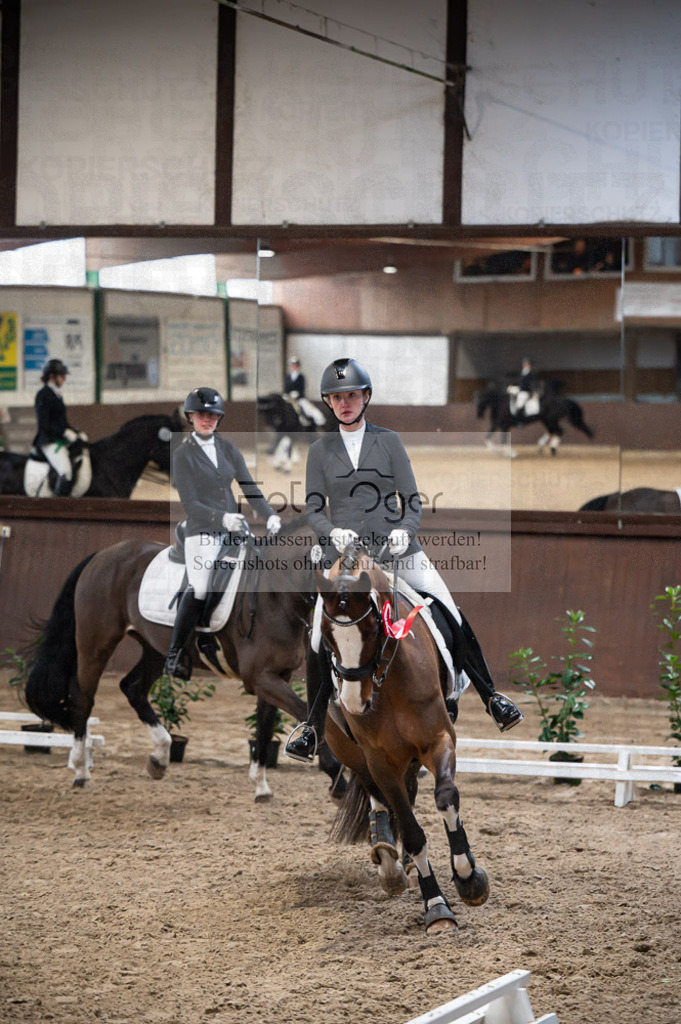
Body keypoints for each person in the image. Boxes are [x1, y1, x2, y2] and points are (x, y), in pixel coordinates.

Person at [284, 357, 523, 762]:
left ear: (366, 397)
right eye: (337, 398)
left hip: (397, 550)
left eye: (352, 395)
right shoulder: (320, 450)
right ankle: (311, 726)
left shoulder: (389, 441)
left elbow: (412, 500)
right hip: (348, 557)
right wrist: (331, 533)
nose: (345, 403)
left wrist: (404, 532)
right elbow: (314, 510)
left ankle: (491, 696)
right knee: (318, 634)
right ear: (328, 402)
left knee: (447, 607)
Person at [165, 386, 281, 680]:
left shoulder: (228, 449)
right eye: (201, 415)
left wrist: (270, 515)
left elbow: (249, 487)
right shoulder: (182, 454)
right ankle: (176, 653)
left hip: (234, 529)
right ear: (190, 417)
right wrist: (222, 518)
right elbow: (190, 504)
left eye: (213, 416)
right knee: (200, 587)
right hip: (202, 530)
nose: (207, 420)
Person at [33, 358, 79, 496]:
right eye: (62, 376)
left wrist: (76, 432)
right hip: (49, 440)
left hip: (58, 438)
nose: (64, 379)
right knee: (66, 471)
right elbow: (44, 424)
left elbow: (62, 421)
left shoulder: (57, 395)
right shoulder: (43, 395)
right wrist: (64, 432)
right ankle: (57, 505)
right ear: (52, 376)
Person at [283, 356, 326, 427]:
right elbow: (286, 388)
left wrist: (297, 394)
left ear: (298, 366)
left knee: (308, 408)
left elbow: (302, 389)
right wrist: (286, 394)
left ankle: (312, 419)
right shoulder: (287, 377)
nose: (293, 367)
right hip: (289, 399)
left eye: (295, 365)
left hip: (299, 398)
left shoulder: (301, 377)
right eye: (292, 366)